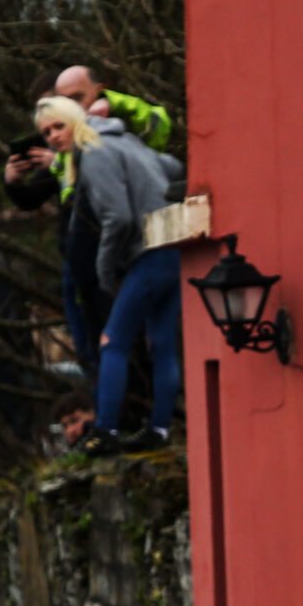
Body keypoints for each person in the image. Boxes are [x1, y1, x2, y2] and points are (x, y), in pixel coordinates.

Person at [35, 94, 183, 456]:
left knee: (112, 341)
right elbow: (172, 168)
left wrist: (105, 271)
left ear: (75, 120)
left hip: (147, 255)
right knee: (162, 343)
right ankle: (160, 428)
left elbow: (118, 217)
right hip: (174, 251)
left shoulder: (95, 153)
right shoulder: (124, 140)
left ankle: (106, 430)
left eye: (59, 126)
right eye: (46, 132)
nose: (53, 136)